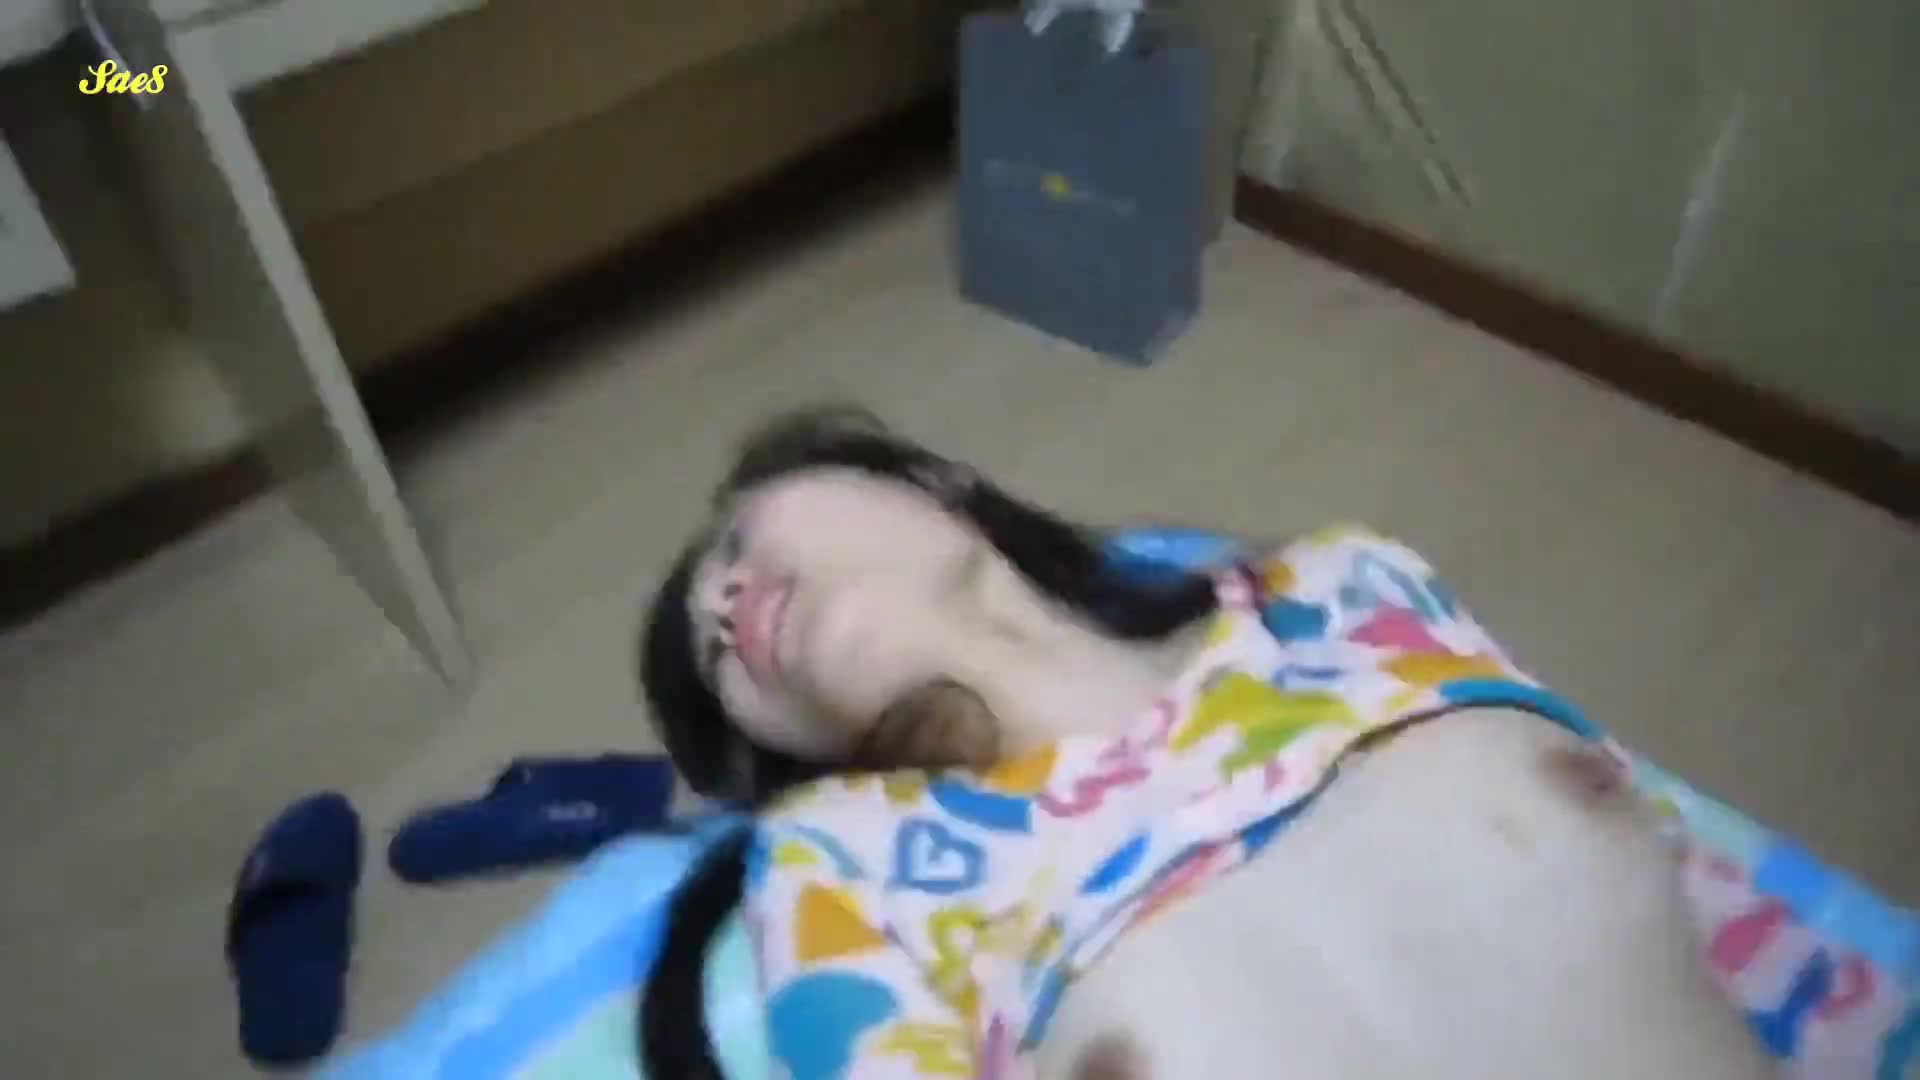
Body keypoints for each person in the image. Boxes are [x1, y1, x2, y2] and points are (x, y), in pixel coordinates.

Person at [637, 405, 1772, 1079]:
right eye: (711, 658)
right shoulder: (842, 865)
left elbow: (1718, 908)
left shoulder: (1344, 589)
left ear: (935, 483)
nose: (722, 605)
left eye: (733, 540)